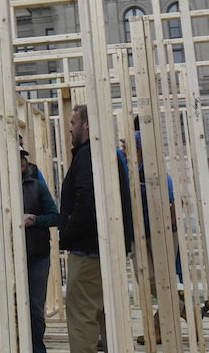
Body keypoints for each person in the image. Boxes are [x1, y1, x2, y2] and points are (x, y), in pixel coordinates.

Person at [58, 104, 133, 353]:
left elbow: (87, 202)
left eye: (73, 123)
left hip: (89, 252)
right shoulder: (106, 154)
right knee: (107, 315)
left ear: (87, 125)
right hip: (105, 250)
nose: (70, 129)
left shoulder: (89, 154)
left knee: (81, 316)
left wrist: (68, 233)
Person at [133, 126, 184, 346]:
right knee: (149, 280)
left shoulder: (158, 174)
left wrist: (168, 229)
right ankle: (184, 310)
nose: (126, 151)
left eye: (130, 147)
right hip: (141, 234)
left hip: (160, 233)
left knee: (160, 281)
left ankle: (159, 328)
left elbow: (174, 205)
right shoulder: (132, 173)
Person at [20, 148, 60, 353]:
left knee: (35, 308)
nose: (22, 160)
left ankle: (37, 349)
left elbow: (55, 216)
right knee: (13, 308)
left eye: (23, 156)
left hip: (37, 255)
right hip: (11, 257)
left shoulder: (37, 186)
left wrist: (34, 220)